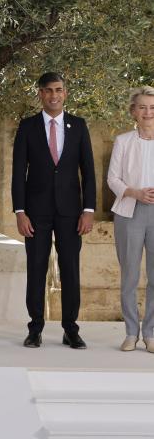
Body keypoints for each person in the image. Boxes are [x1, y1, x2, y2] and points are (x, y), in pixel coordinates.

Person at [12, 72, 96, 349]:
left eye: (58, 90)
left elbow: (89, 172)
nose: (53, 95)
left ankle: (71, 329)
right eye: (48, 90)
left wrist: (89, 209)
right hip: (35, 212)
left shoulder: (78, 126)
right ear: (40, 93)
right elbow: (17, 173)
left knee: (70, 269)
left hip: (72, 212)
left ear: (65, 92)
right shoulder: (27, 126)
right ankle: (35, 328)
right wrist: (20, 211)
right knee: (36, 269)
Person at [107, 86, 154, 353]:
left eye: (152, 107)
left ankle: (150, 333)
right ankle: (130, 332)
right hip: (129, 212)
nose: (148, 112)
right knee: (130, 276)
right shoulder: (123, 141)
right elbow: (112, 178)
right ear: (133, 112)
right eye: (143, 107)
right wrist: (135, 192)